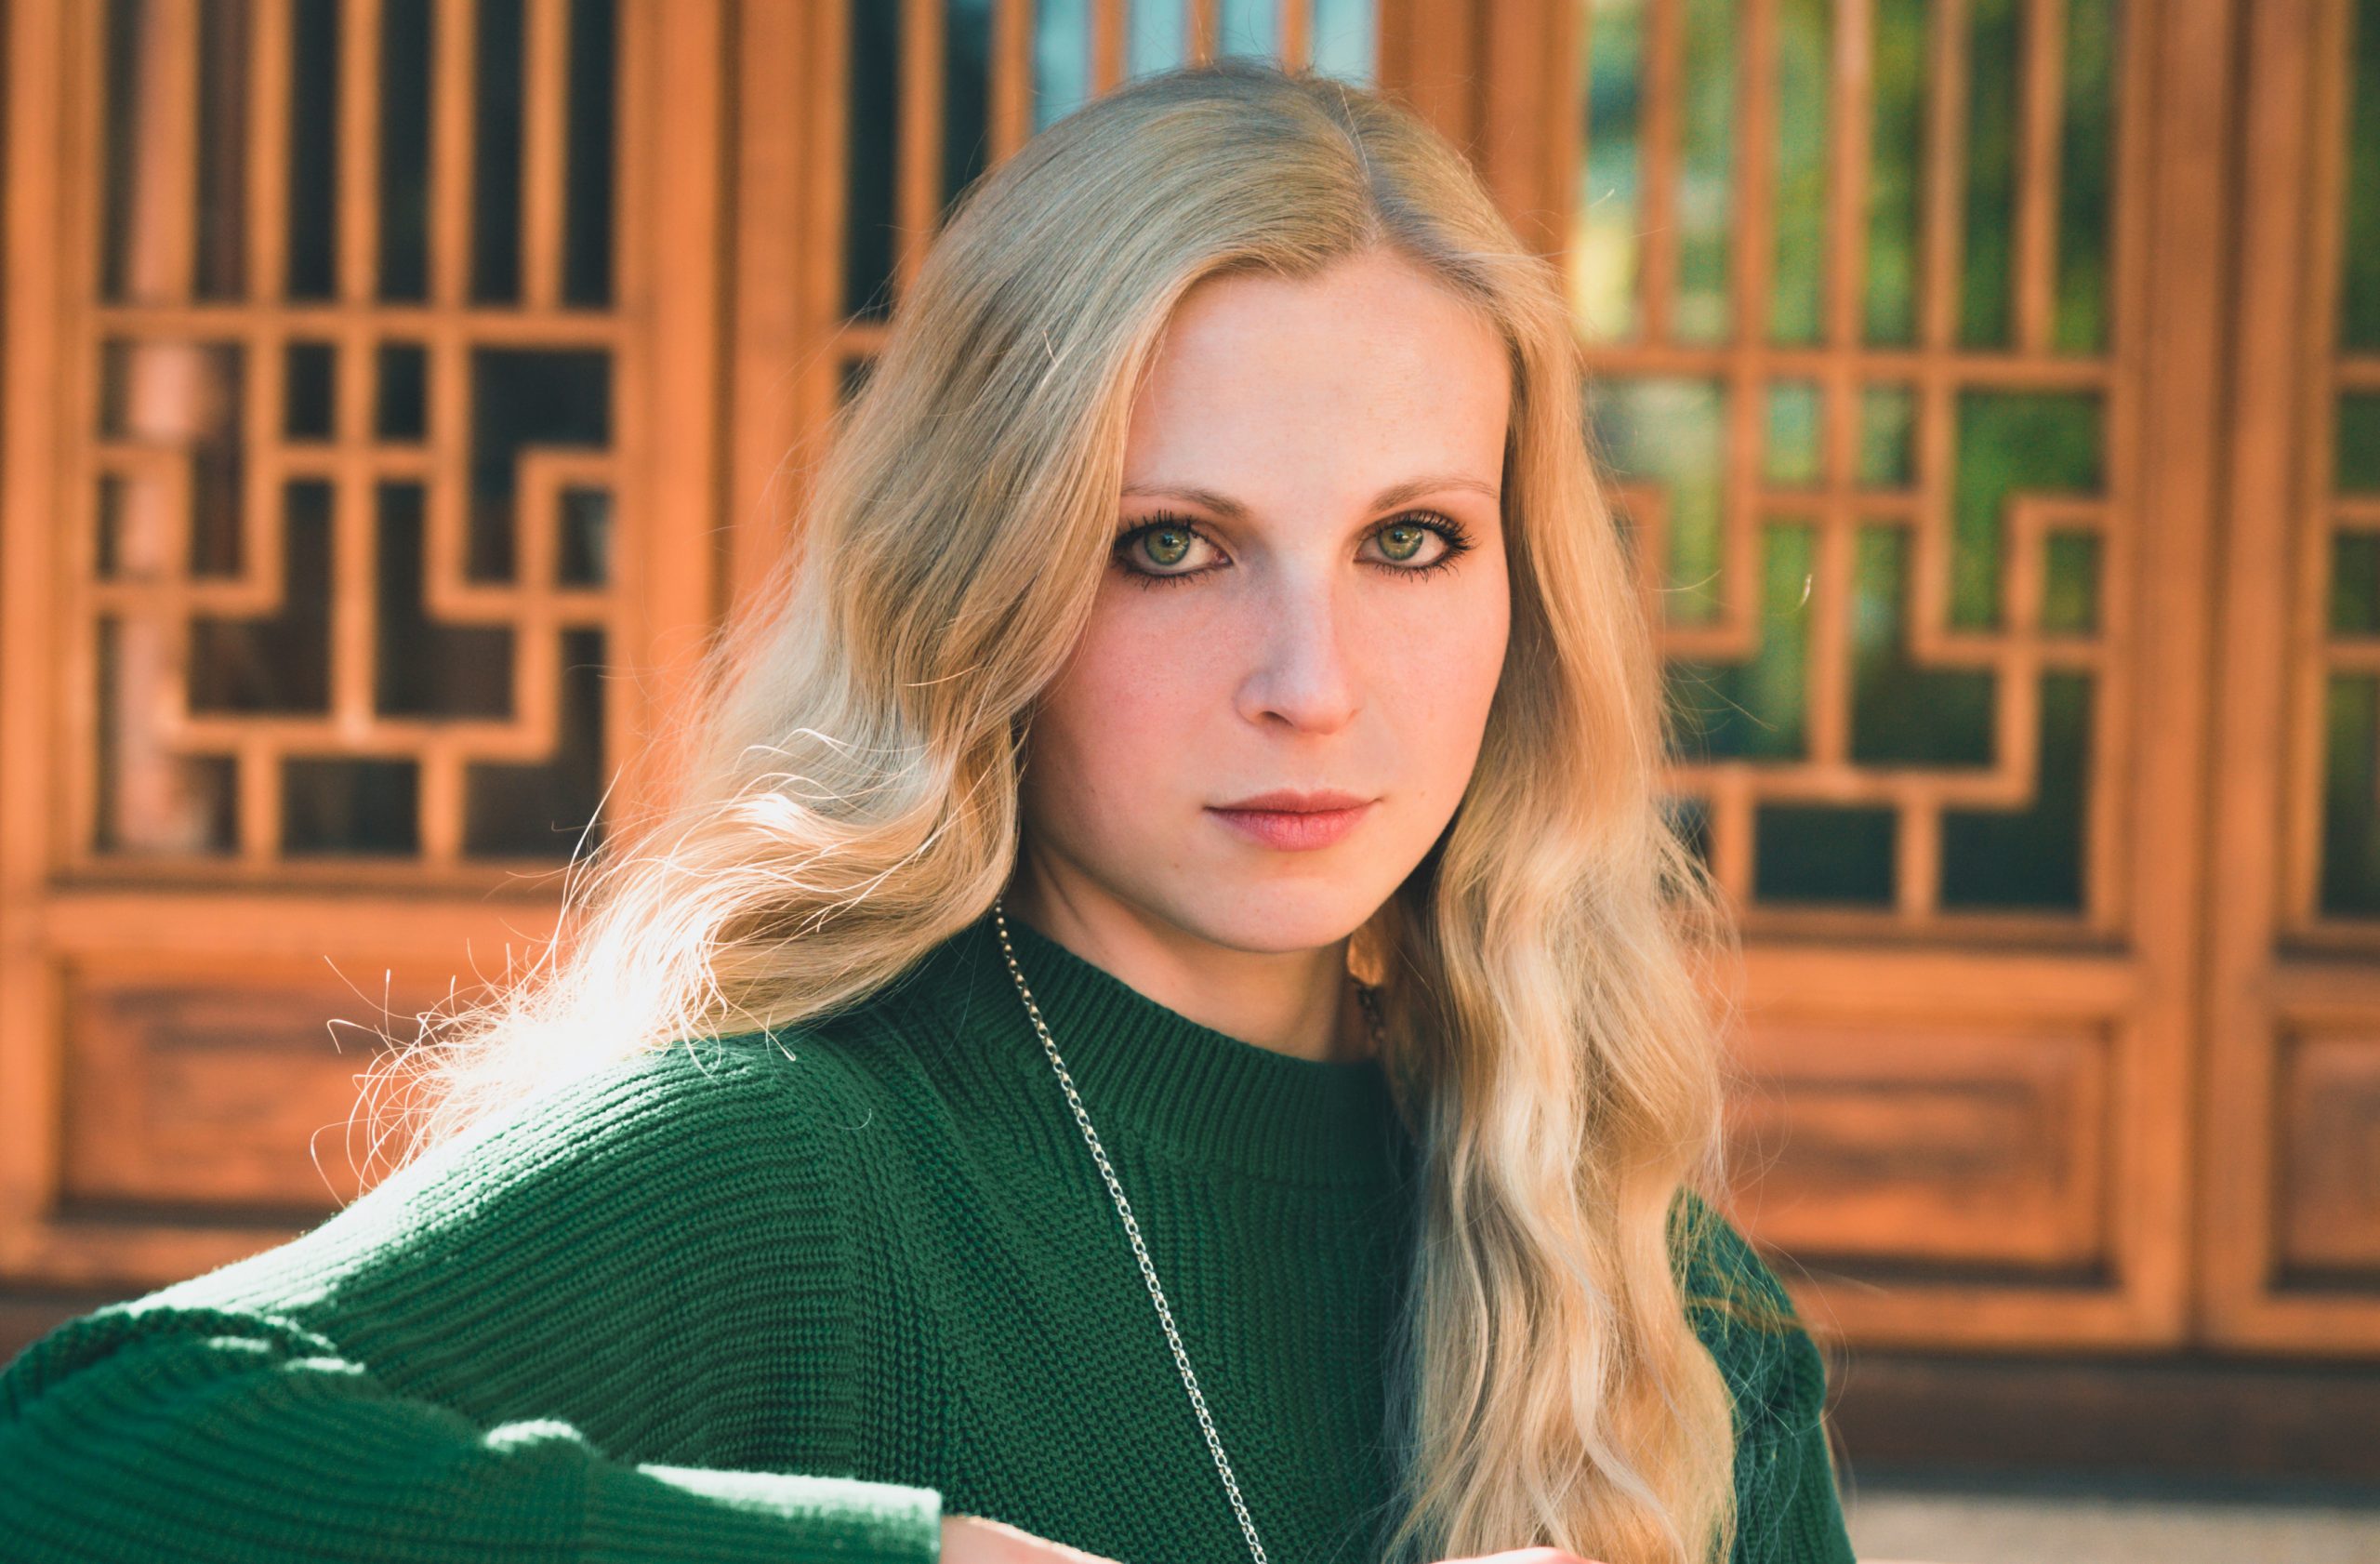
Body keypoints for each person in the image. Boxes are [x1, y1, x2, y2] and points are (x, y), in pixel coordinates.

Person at [0, 60, 1855, 1564]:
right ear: (983, 585)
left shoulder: (1652, 1307)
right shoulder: (789, 1167)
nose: (1312, 680)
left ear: (1525, 596)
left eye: (1411, 540)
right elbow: (72, 1457)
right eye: (1169, 545)